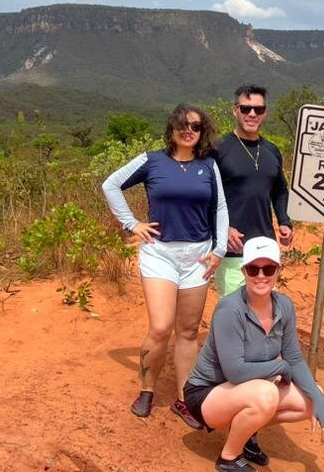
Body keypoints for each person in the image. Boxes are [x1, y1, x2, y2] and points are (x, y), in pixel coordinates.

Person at [102, 104, 228, 427]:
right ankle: (147, 389)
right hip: (159, 254)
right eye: (182, 125)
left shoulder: (208, 166)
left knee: (187, 331)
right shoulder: (152, 161)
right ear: (171, 128)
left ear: (202, 132)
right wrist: (132, 224)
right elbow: (110, 185)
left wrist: (219, 249)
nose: (189, 131)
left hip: (197, 256)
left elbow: (220, 208)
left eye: (195, 127)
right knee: (160, 327)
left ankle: (186, 399)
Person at [184, 236, 324, 472]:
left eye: (268, 268)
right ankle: (229, 457)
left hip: (246, 389)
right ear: (244, 271)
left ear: (278, 270)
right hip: (207, 394)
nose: (261, 276)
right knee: (266, 394)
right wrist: (280, 368)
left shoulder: (284, 305)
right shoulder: (230, 309)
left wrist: (318, 398)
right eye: (254, 269)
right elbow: (235, 371)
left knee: (311, 398)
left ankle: (246, 432)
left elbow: (293, 357)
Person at [213, 84, 294, 464]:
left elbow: (280, 190)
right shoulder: (220, 150)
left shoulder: (272, 151)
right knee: (240, 339)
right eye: (245, 108)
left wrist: (286, 221)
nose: (252, 114)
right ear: (234, 110)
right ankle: (235, 422)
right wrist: (221, 227)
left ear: (265, 113)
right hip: (232, 254)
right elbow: (209, 196)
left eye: (258, 109)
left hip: (265, 255)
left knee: (264, 340)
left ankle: (249, 430)